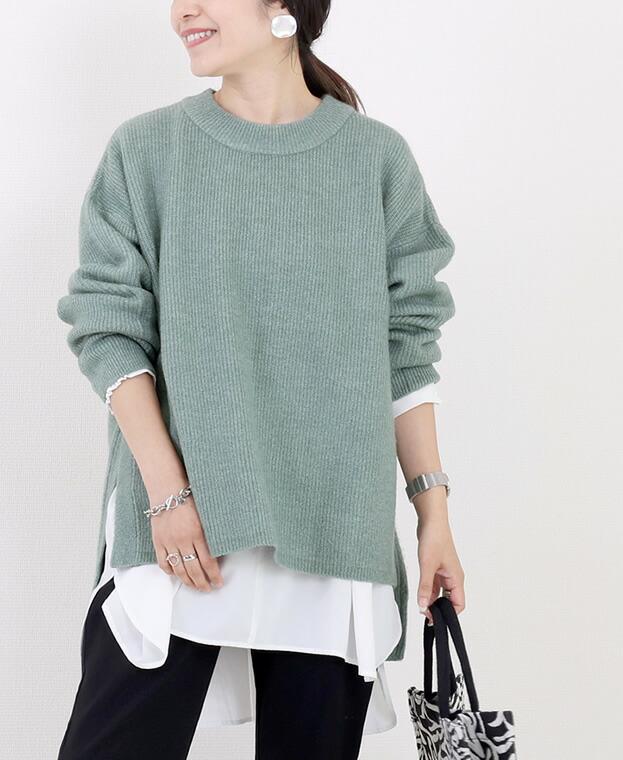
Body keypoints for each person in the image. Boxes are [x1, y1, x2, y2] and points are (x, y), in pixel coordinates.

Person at [55, 1, 464, 758]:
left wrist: (431, 514)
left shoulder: (374, 159)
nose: (183, 10)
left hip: (335, 532)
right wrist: (167, 496)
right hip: (181, 534)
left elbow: (405, 347)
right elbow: (108, 330)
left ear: (283, 6)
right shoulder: (148, 150)